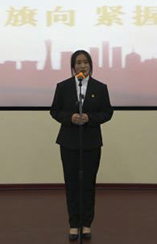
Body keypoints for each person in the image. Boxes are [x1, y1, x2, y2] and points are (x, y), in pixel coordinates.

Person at [50, 50, 114, 241]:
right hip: (68, 142)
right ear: (73, 66)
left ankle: (86, 224)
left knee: (88, 184)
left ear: (90, 65)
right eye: (78, 62)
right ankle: (73, 224)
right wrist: (70, 117)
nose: (82, 66)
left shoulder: (100, 87)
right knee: (71, 184)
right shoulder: (63, 87)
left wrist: (90, 118)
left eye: (85, 62)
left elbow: (107, 112)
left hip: (91, 143)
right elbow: (55, 111)